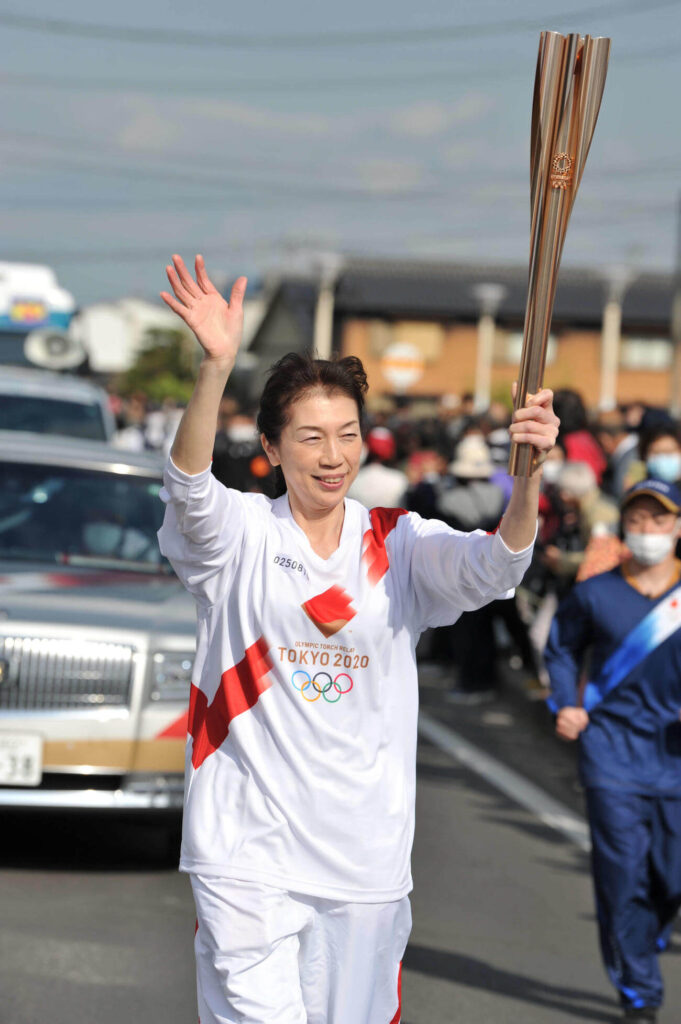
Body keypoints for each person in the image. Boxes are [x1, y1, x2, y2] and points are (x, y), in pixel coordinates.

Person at [157, 253, 558, 1024]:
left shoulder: (398, 543)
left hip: (363, 860)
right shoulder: (237, 534)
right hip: (246, 851)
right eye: (309, 437)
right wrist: (214, 368)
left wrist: (529, 477)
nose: (332, 455)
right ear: (271, 449)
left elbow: (494, 567)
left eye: (345, 435)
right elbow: (188, 487)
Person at [544, 479, 681, 1023]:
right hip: (613, 753)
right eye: (638, 521)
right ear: (625, 527)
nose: (648, 531)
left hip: (675, 757)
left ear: (677, 528)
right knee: (622, 876)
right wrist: (564, 702)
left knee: (671, 878)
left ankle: (643, 939)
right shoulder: (596, 593)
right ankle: (640, 993)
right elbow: (560, 648)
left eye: (660, 521)